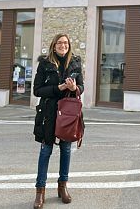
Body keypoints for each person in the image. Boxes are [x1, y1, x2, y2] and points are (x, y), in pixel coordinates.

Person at [32, 33, 84, 207]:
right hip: (48, 112)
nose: (63, 45)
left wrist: (75, 87)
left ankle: (63, 187)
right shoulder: (45, 63)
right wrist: (58, 88)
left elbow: (81, 88)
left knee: (66, 150)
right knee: (45, 151)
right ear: (54, 46)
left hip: (68, 113)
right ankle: (40, 191)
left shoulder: (76, 62)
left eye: (66, 43)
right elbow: (37, 90)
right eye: (60, 43)